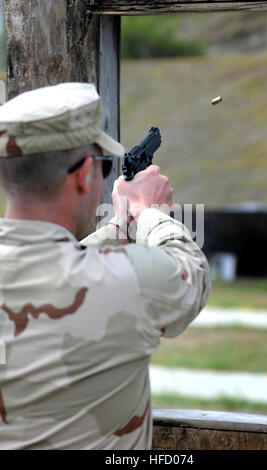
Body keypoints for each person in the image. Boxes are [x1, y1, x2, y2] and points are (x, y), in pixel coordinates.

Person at [0, 82, 210, 450]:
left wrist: (116, 228)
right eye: (102, 165)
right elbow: (190, 272)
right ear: (84, 175)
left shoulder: (103, 276)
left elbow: (49, 262)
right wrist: (147, 212)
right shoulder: (126, 285)